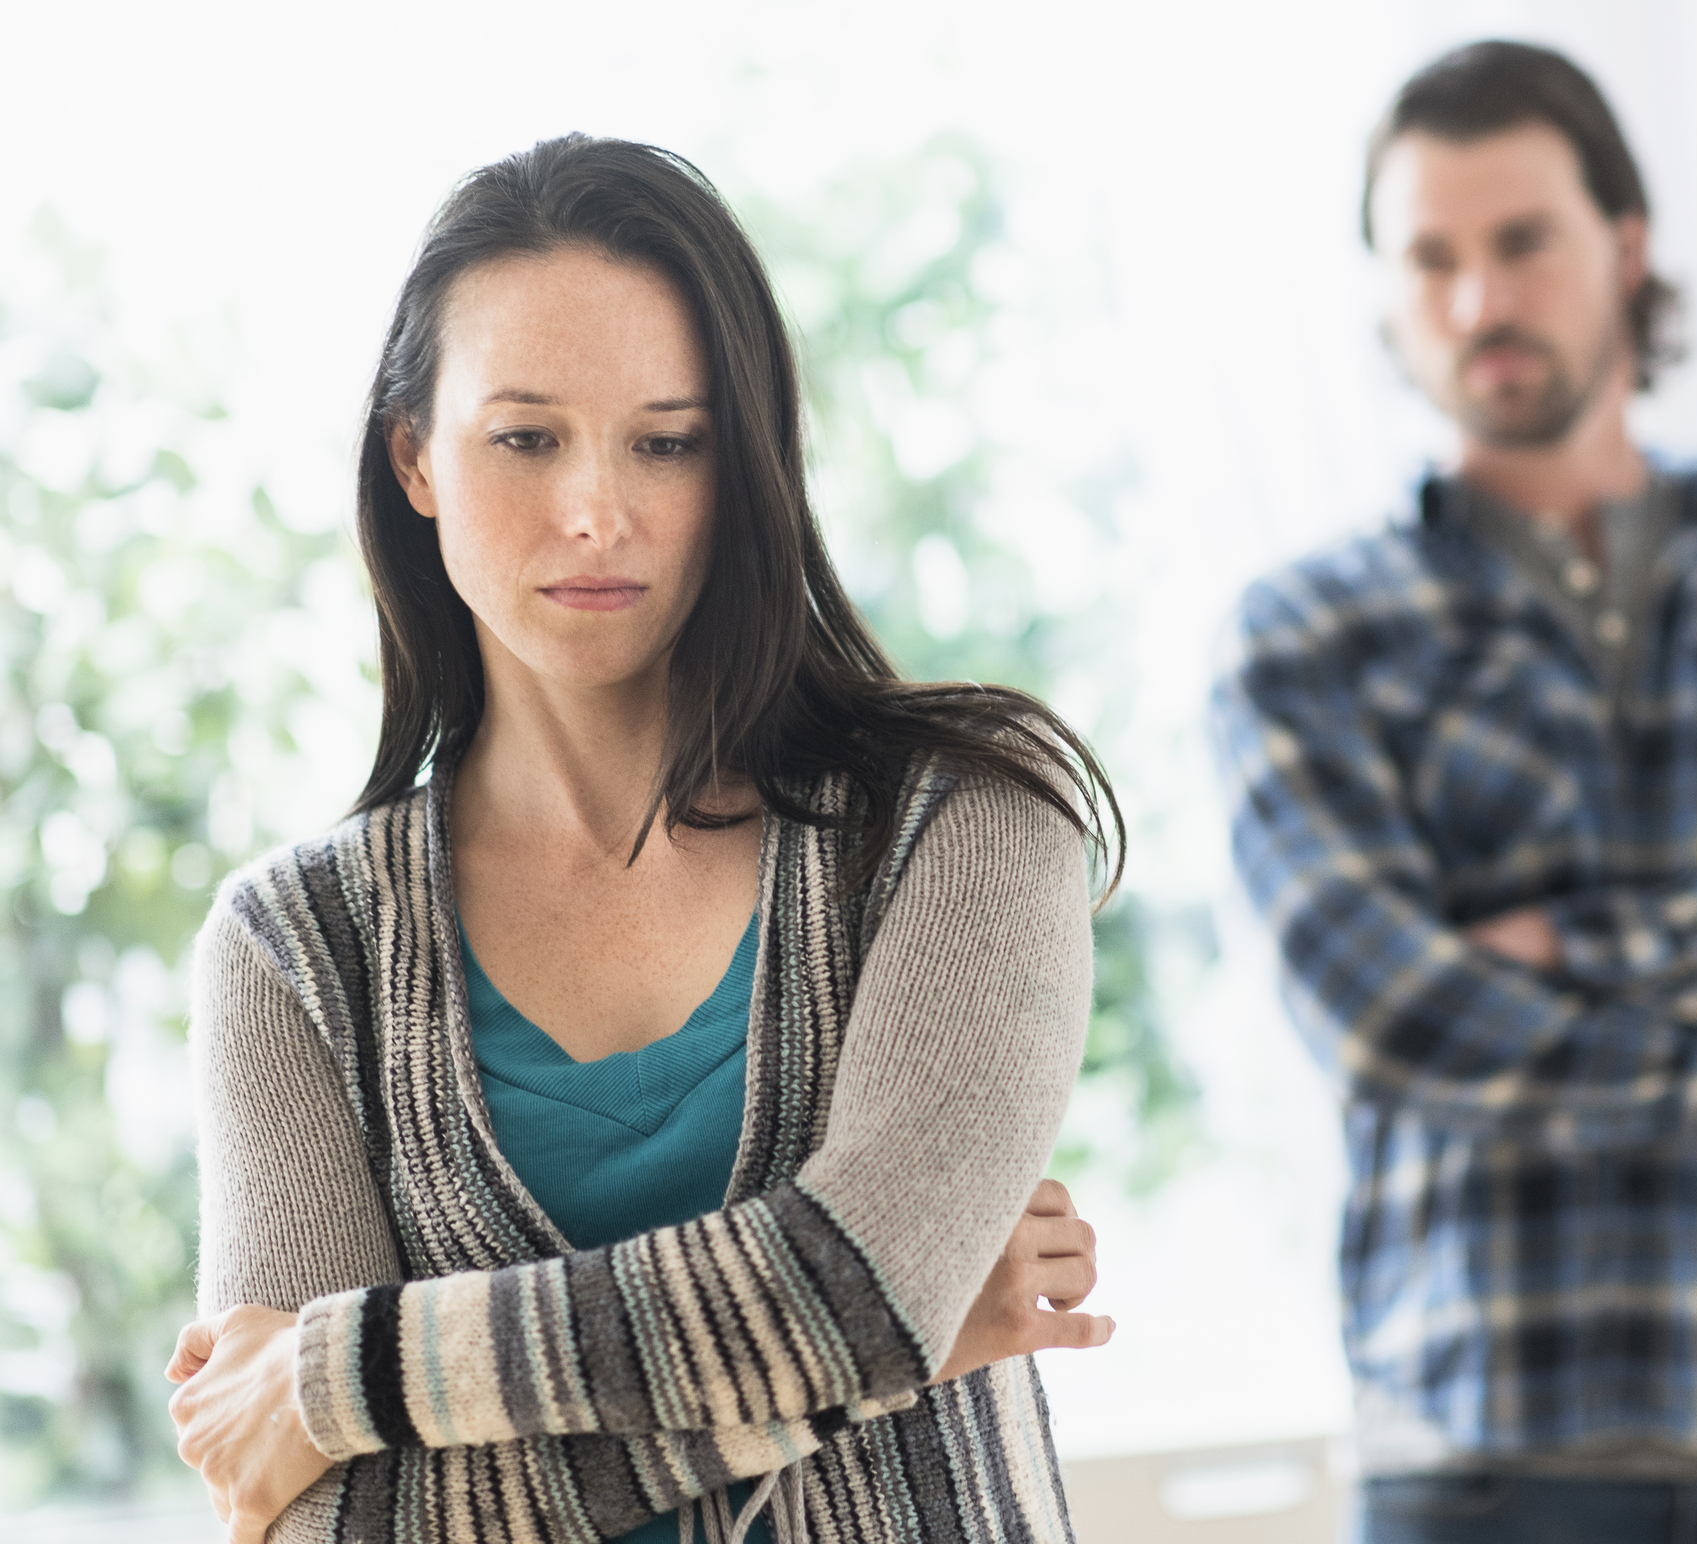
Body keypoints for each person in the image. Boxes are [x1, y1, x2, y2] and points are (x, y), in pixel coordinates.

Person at [162, 134, 1119, 1544]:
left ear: (743, 467)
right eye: (526, 437)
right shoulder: (296, 954)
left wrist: (346, 1371)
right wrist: (860, 1349)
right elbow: (316, 1521)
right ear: (415, 457)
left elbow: (870, 1289)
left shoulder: (963, 822)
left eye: (667, 442)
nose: (597, 511)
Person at [1213, 39, 1697, 1544]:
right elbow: (1395, 1020)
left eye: (1520, 241)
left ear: (1623, 244)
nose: (1479, 301)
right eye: (1430, 259)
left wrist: (1560, 948)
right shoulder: (1306, 640)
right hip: (1474, 1475)